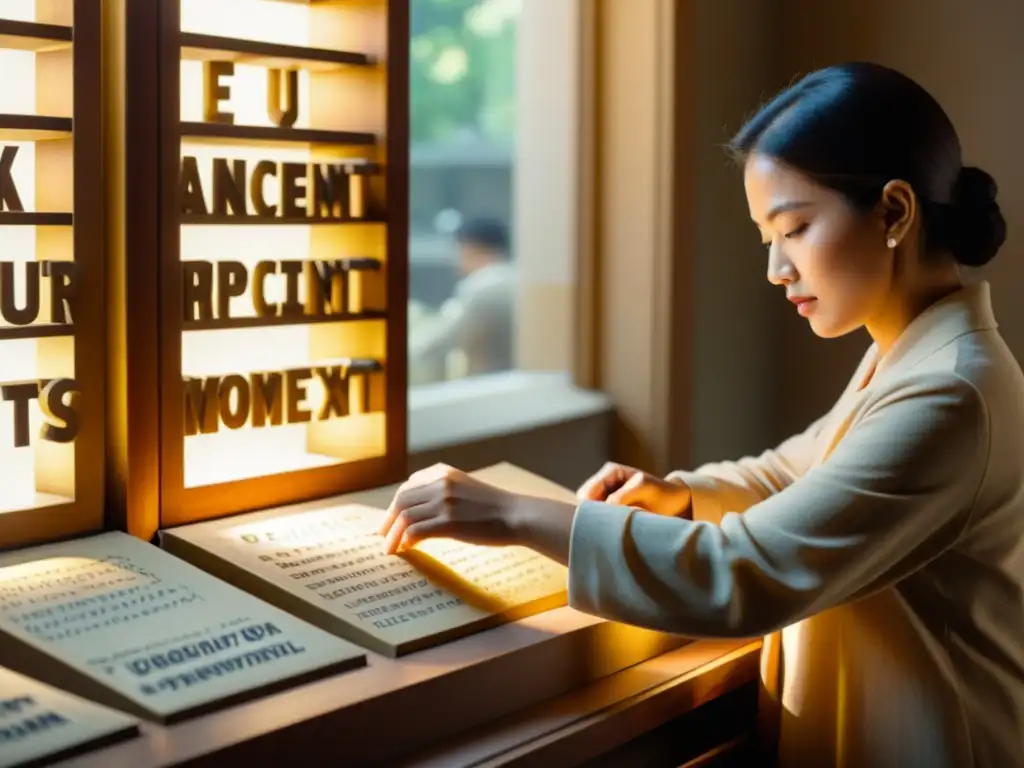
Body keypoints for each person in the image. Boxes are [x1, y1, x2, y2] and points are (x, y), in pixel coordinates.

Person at [380, 62, 1024, 767]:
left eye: (796, 228)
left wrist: (511, 515)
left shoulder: (952, 391)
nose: (777, 268)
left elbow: (748, 572)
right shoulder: (913, 357)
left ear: (895, 212)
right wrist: (683, 495)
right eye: (766, 239)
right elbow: (790, 474)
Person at [409, 217, 516, 379]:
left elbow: (437, 343)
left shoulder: (482, 286)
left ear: (470, 248)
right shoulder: (520, 281)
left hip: (485, 387)